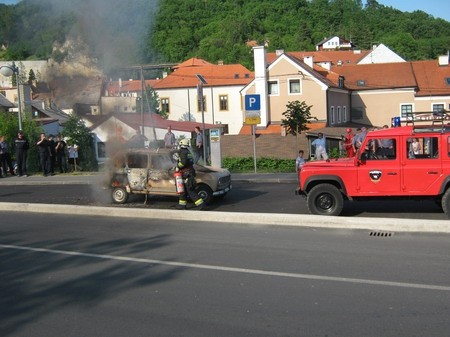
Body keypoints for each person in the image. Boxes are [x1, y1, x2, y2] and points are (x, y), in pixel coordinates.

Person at [174, 138, 204, 210]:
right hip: (187, 173)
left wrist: (178, 166)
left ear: (181, 144)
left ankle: (201, 205)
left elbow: (183, 163)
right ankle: (182, 206)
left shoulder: (183, 152)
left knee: (190, 190)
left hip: (187, 174)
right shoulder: (188, 151)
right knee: (182, 190)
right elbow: (191, 161)